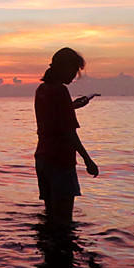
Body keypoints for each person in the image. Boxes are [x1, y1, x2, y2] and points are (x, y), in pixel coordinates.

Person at [34, 47, 99, 229]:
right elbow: (69, 133)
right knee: (64, 223)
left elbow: (54, 114)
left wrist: (74, 106)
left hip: (43, 160)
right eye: (73, 70)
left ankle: (49, 254)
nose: (75, 75)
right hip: (60, 161)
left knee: (50, 218)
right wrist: (88, 161)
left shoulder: (42, 90)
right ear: (62, 67)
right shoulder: (60, 91)